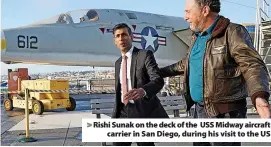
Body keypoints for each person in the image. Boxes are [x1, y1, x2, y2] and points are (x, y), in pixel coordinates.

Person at [159, 0, 271, 146]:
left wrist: (259, 95)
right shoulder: (196, 37)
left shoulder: (232, 32)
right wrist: (158, 72)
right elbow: (186, 64)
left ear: (205, 10)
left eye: (188, 11)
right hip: (199, 110)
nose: (185, 17)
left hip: (225, 113)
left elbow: (251, 64)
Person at [111, 23, 169, 146]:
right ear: (115, 40)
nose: (121, 38)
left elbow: (158, 80)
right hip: (123, 113)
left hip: (141, 112)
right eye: (118, 36)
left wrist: (143, 91)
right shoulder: (117, 63)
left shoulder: (145, 55)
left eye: (124, 35)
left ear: (131, 37)